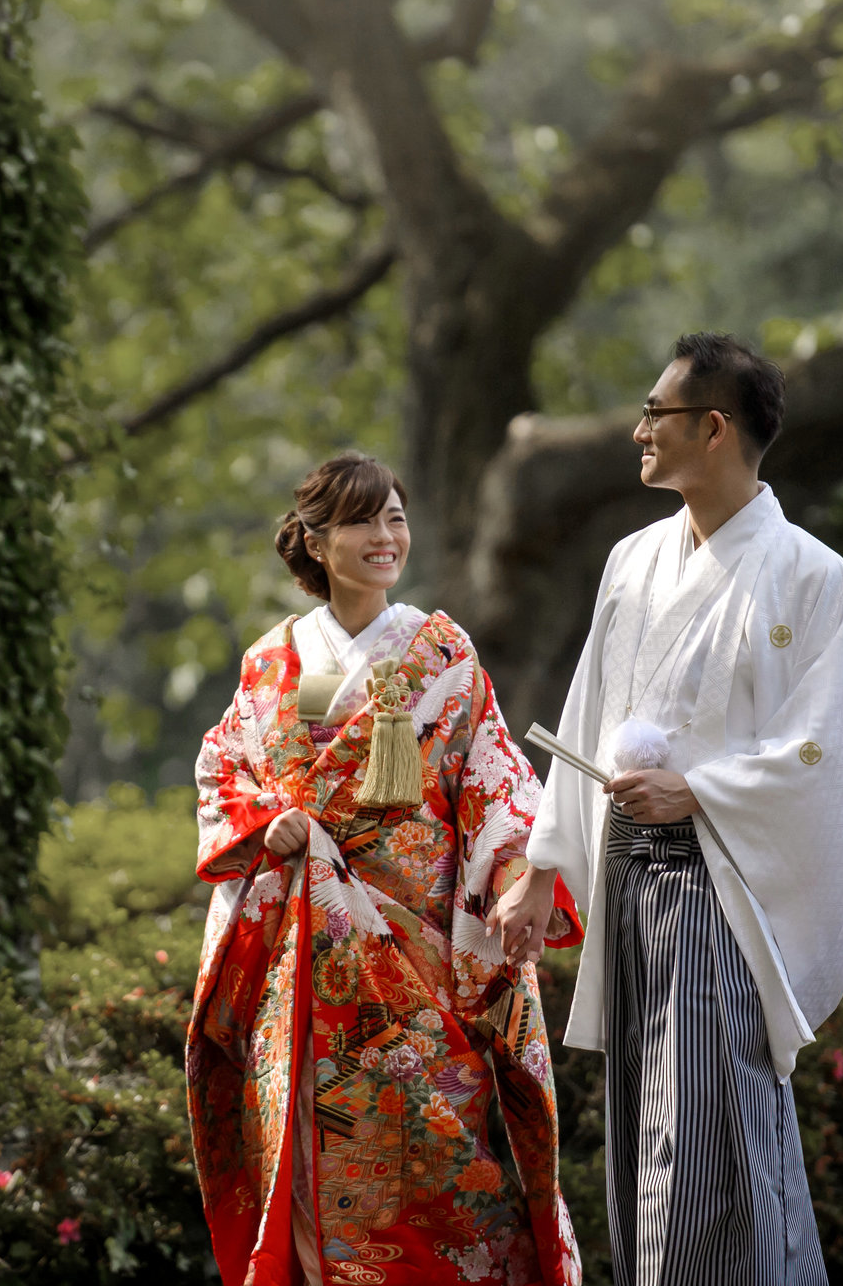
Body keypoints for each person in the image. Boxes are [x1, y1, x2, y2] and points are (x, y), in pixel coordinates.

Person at [490, 333, 843, 1286]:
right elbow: (590, 704)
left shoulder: (810, 575)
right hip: (632, 877)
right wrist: (543, 868)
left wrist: (697, 787)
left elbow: (823, 752)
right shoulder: (631, 562)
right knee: (648, 1126)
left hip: (724, 887)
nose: (638, 432)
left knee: (702, 1130)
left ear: (714, 428)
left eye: (654, 415)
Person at [187, 452, 586, 1286]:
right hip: (302, 971)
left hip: (422, 966)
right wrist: (271, 821)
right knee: (304, 1170)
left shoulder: (441, 650)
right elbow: (228, 769)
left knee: (445, 1178)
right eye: (363, 520)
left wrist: (522, 877)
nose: (385, 536)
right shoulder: (271, 661)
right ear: (314, 541)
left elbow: (496, 778)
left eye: (396, 517)